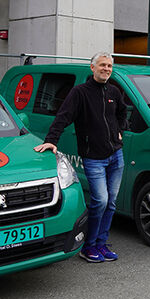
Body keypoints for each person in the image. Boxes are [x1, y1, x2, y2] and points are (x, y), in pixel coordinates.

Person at [34, 52, 127, 263]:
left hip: (116, 155)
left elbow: (123, 112)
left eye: (109, 66)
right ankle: (89, 245)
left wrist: (121, 129)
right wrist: (52, 140)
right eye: (102, 65)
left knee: (111, 203)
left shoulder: (114, 91)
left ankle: (101, 244)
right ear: (92, 68)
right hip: (94, 157)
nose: (106, 69)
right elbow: (63, 116)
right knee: (100, 201)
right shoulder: (80, 93)